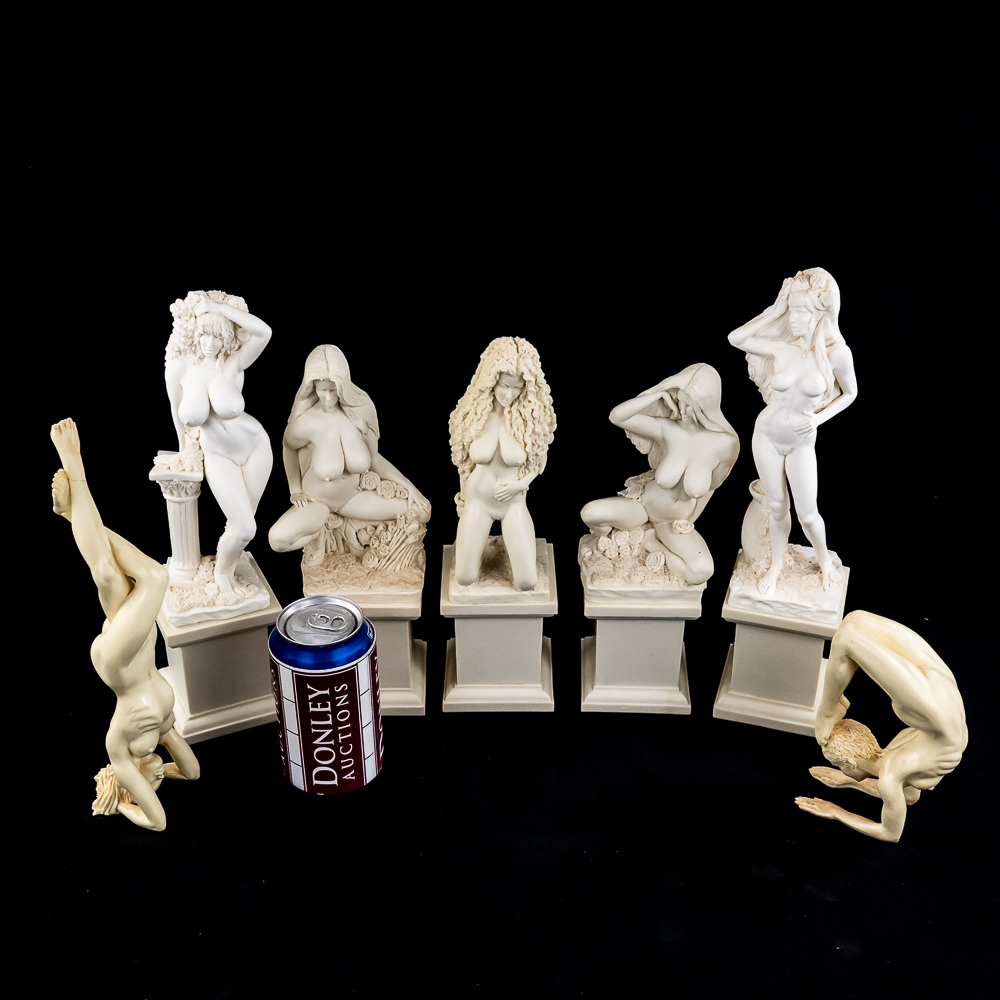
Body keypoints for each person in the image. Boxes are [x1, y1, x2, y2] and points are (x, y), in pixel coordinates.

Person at [51, 418, 200, 832]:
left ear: (132, 787)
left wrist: (122, 804)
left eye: (150, 783)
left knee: (153, 577)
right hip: (141, 646)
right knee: (109, 575)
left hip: (116, 663)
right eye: (159, 780)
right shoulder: (161, 729)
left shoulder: (119, 750)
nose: (158, 775)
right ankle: (73, 515)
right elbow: (192, 772)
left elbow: (158, 822)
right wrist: (166, 771)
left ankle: (75, 470)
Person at [728, 268, 857, 594]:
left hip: (800, 441)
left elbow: (851, 393)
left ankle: (825, 562)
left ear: (819, 315)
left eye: (800, 312)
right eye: (792, 311)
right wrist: (776, 309)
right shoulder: (782, 348)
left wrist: (818, 419)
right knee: (776, 507)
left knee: (808, 515)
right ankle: (776, 564)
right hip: (767, 435)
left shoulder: (837, 354)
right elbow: (735, 339)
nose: (793, 318)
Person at [795, 611, 967, 842]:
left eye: (840, 766)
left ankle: (828, 710)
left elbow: (890, 833)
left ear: (849, 763)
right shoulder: (896, 760)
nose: (842, 771)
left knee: (851, 629)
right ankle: (831, 707)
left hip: (939, 704)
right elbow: (909, 797)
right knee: (851, 626)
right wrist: (850, 782)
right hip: (938, 697)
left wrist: (835, 811)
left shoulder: (892, 770)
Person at [580, 363, 739, 586]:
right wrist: (659, 393)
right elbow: (617, 416)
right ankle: (618, 538)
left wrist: (688, 523)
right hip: (641, 508)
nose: (683, 411)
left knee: (701, 571)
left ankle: (650, 543)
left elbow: (710, 490)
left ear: (707, 405)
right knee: (589, 513)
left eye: (691, 405)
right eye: (680, 401)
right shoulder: (668, 429)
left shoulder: (726, 444)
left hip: (671, 522)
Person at [268, 344, 430, 555]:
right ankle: (322, 529)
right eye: (322, 390)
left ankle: (349, 524)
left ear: (343, 384)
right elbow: (288, 449)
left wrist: (410, 487)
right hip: (318, 502)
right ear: (312, 386)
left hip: (353, 498)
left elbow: (375, 459)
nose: (328, 397)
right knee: (278, 541)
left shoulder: (359, 412)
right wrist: (294, 489)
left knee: (422, 511)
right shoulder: (306, 422)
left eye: (333, 390)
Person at [165, 290, 273, 595]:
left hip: (255, 448)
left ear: (226, 338)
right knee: (245, 526)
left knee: (241, 530)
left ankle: (227, 572)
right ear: (195, 333)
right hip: (218, 456)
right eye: (205, 334)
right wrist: (184, 452)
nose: (210, 343)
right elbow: (176, 413)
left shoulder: (232, 364)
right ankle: (222, 576)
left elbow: (264, 332)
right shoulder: (179, 369)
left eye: (217, 336)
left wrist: (218, 308)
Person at [449, 337, 556, 591]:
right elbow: (462, 463)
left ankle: (508, 552)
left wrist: (521, 484)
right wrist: (463, 500)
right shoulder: (471, 415)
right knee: (464, 578)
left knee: (527, 582)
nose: (509, 395)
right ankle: (483, 548)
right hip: (478, 501)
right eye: (504, 385)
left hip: (512, 503)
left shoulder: (531, 419)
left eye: (517, 387)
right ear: (491, 379)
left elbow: (538, 462)